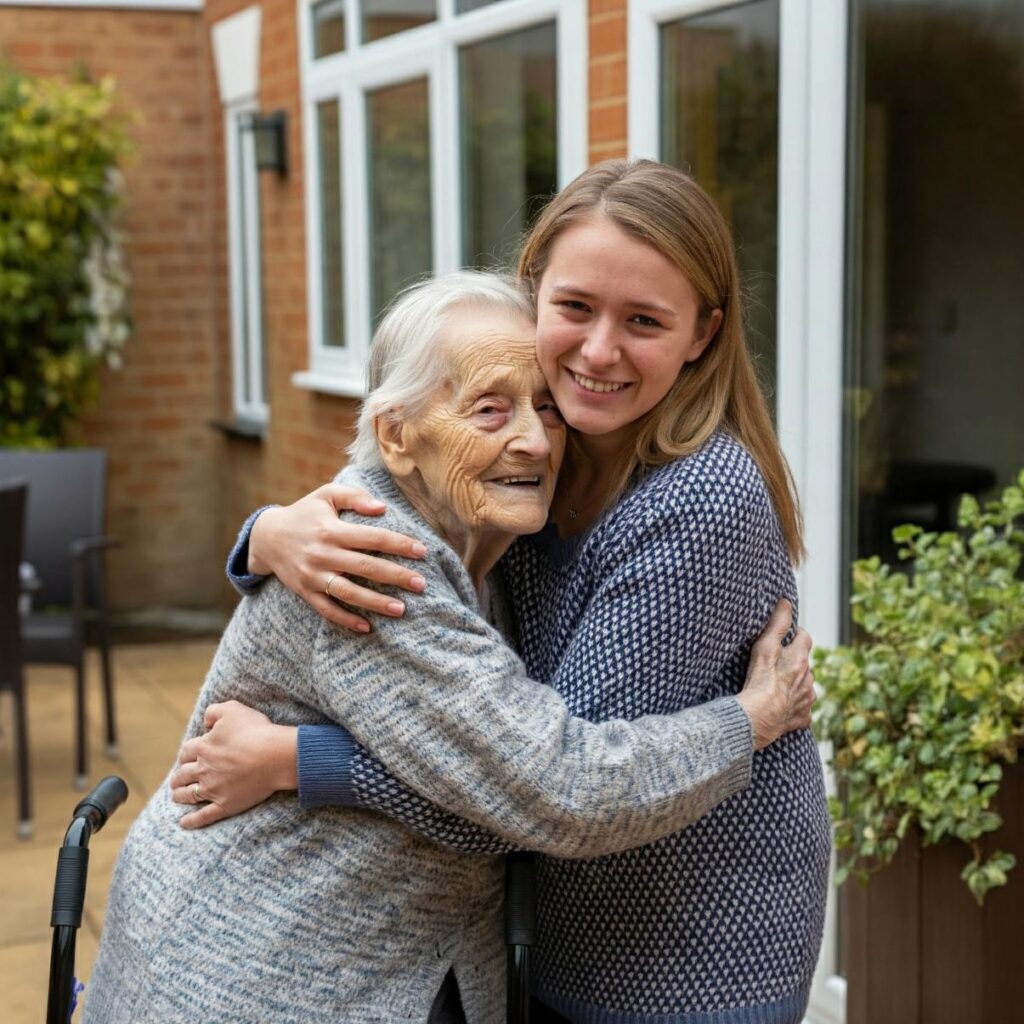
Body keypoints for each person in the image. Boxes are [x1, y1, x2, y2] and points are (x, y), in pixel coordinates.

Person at [174, 160, 831, 1023]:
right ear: (534, 294)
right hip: (559, 926)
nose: (598, 351)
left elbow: (541, 795)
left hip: (685, 959)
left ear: (702, 334)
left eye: (643, 321)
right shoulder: (541, 454)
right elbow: (391, 485)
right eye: (574, 308)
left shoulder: (696, 504)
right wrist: (268, 532)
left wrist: (298, 762)